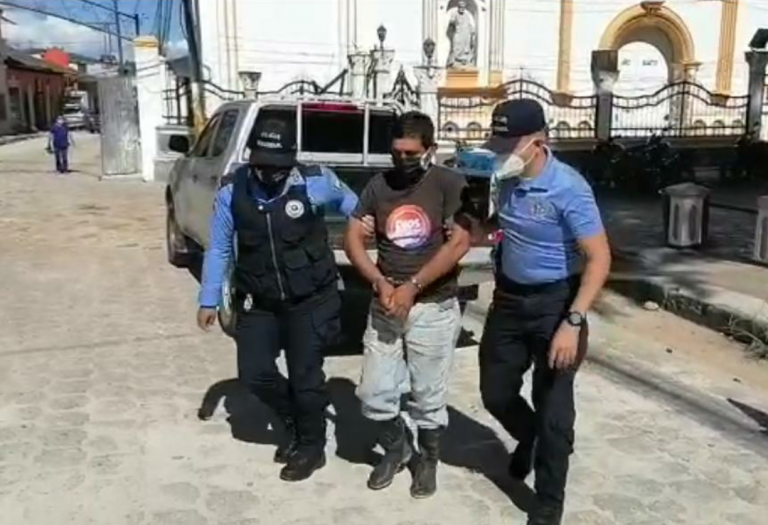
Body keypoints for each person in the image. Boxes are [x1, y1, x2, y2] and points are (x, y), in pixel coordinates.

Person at [197, 117, 359, 482]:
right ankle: (293, 417)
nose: (270, 174)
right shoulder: (232, 192)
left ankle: (311, 446)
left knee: (306, 378)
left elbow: (359, 209)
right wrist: (209, 299)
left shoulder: (316, 182)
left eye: (278, 167)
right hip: (260, 299)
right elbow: (219, 248)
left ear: (291, 160)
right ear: (251, 157)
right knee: (254, 373)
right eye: (262, 166)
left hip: (311, 298)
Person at [477, 99, 611, 525]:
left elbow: (599, 258)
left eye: (508, 144)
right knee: (496, 393)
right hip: (509, 300)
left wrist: (573, 321)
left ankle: (549, 501)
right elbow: (502, 224)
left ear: (536, 142)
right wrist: (480, 228)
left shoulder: (569, 188)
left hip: (556, 305)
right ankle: (529, 436)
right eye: (497, 142)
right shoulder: (505, 179)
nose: (500, 151)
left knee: (554, 410)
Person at [345, 111, 474, 498]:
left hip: (432, 306)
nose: (402, 159)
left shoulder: (449, 183)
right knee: (373, 393)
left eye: (411, 153)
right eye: (397, 152)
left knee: (427, 394)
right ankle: (397, 447)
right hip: (385, 304)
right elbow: (352, 238)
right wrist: (380, 281)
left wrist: (413, 286)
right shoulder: (379, 185)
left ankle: (428, 460)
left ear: (430, 150)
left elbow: (460, 242)